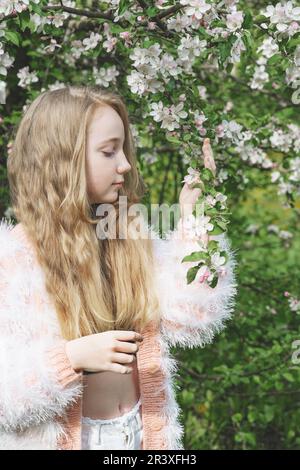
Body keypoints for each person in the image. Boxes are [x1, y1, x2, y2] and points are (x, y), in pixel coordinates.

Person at [0, 85, 237, 450]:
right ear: (62, 160)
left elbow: (193, 318)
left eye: (123, 149)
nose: (124, 164)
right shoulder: (13, 262)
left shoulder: (129, 239)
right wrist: (72, 358)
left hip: (140, 435)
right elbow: (6, 399)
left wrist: (197, 222)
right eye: (108, 151)